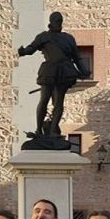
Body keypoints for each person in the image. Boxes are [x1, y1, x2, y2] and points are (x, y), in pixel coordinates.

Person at [17, 11, 90, 139]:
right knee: (44, 99)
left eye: (60, 21)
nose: (58, 23)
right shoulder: (43, 36)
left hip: (65, 71)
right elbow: (32, 48)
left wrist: (84, 70)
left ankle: (53, 130)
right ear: (51, 22)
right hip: (49, 70)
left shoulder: (68, 38)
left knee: (59, 102)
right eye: (56, 21)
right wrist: (23, 52)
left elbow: (77, 57)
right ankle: (39, 129)